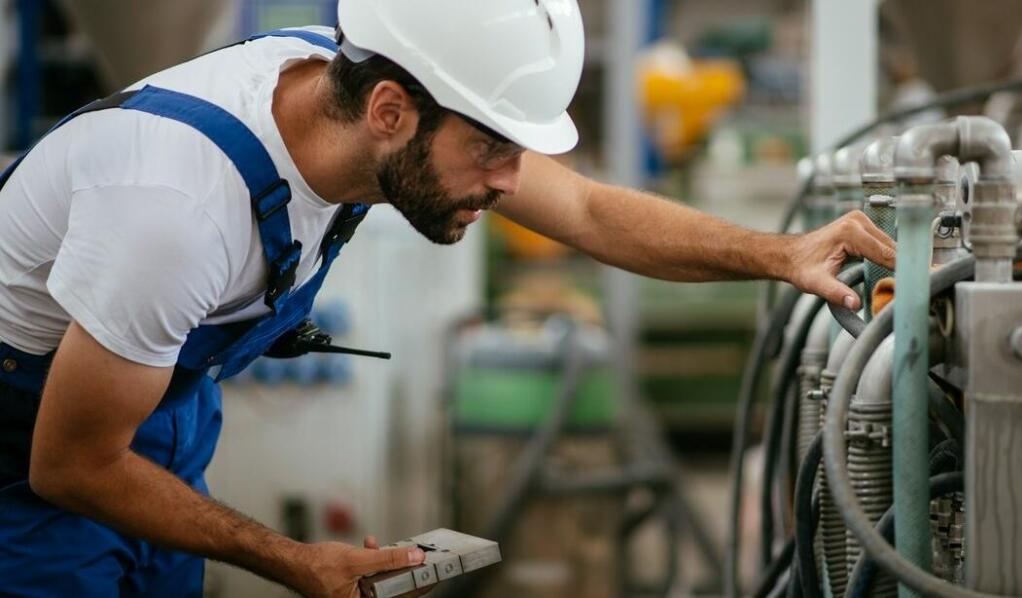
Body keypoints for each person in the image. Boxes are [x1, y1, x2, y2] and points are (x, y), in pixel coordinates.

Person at [0, 1, 894, 596]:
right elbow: (71, 467)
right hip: (40, 456)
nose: (511, 182)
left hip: (151, 414)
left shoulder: (341, 92)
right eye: (493, 149)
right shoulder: (178, 214)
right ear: (389, 110)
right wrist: (293, 561)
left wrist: (781, 254)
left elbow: (582, 207)